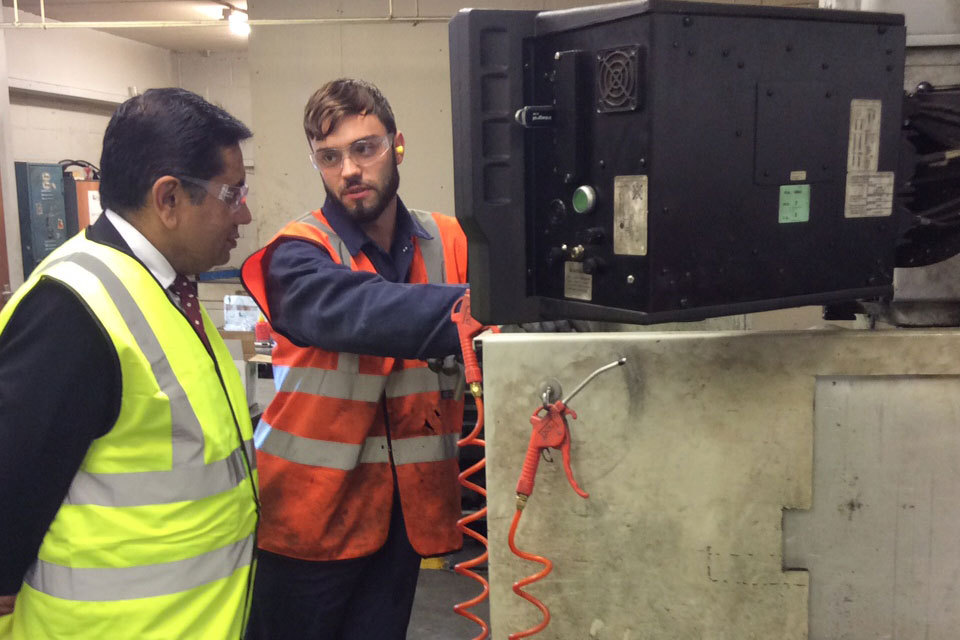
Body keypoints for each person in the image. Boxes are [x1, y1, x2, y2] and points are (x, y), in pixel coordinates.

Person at [0, 88, 260, 639]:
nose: (245, 211)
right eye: (231, 193)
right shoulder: (71, 309)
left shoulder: (164, 289)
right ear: (168, 199)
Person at [240, 78, 469, 640]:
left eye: (365, 148)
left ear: (398, 146)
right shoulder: (297, 253)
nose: (349, 170)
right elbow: (357, 312)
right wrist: (478, 313)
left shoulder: (451, 240)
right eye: (330, 156)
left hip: (403, 516)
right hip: (308, 516)